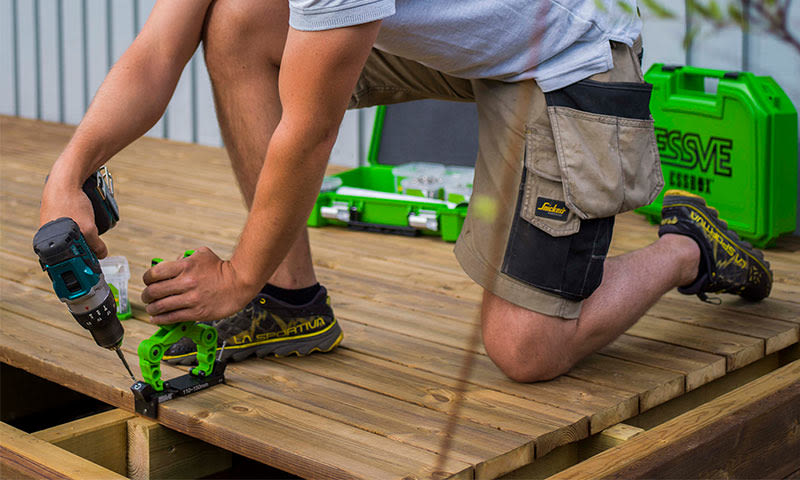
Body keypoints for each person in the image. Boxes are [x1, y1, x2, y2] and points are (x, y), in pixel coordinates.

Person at [38, 0, 772, 383]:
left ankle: (685, 246)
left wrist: (235, 277)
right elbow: (156, 53)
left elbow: (309, 131)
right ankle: (292, 304)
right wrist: (67, 173)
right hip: (465, 36)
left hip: (565, 58)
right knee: (236, 21)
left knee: (527, 349)